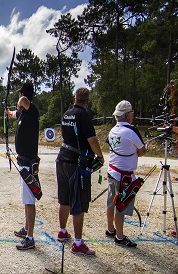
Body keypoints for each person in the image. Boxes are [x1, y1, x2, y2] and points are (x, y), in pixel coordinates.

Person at [55, 87, 104, 255]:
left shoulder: (67, 113)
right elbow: (92, 140)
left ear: (75, 98)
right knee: (78, 203)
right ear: (87, 101)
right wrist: (100, 156)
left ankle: (62, 231)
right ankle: (77, 243)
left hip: (62, 159)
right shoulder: (83, 115)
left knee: (64, 199)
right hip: (76, 162)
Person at [106, 100, 146, 247]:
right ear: (128, 115)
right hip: (124, 177)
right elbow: (142, 151)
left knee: (111, 202)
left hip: (112, 172)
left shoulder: (112, 130)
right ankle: (120, 237)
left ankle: (110, 229)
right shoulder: (131, 131)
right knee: (120, 206)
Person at [7, 82, 40, 250]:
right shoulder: (23, 114)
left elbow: (24, 102)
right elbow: (15, 113)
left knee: (29, 201)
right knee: (26, 199)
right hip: (22, 162)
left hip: (29, 162)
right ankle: (26, 228)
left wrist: (20, 100)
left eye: (20, 95)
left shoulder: (32, 110)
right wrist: (10, 112)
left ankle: (30, 237)